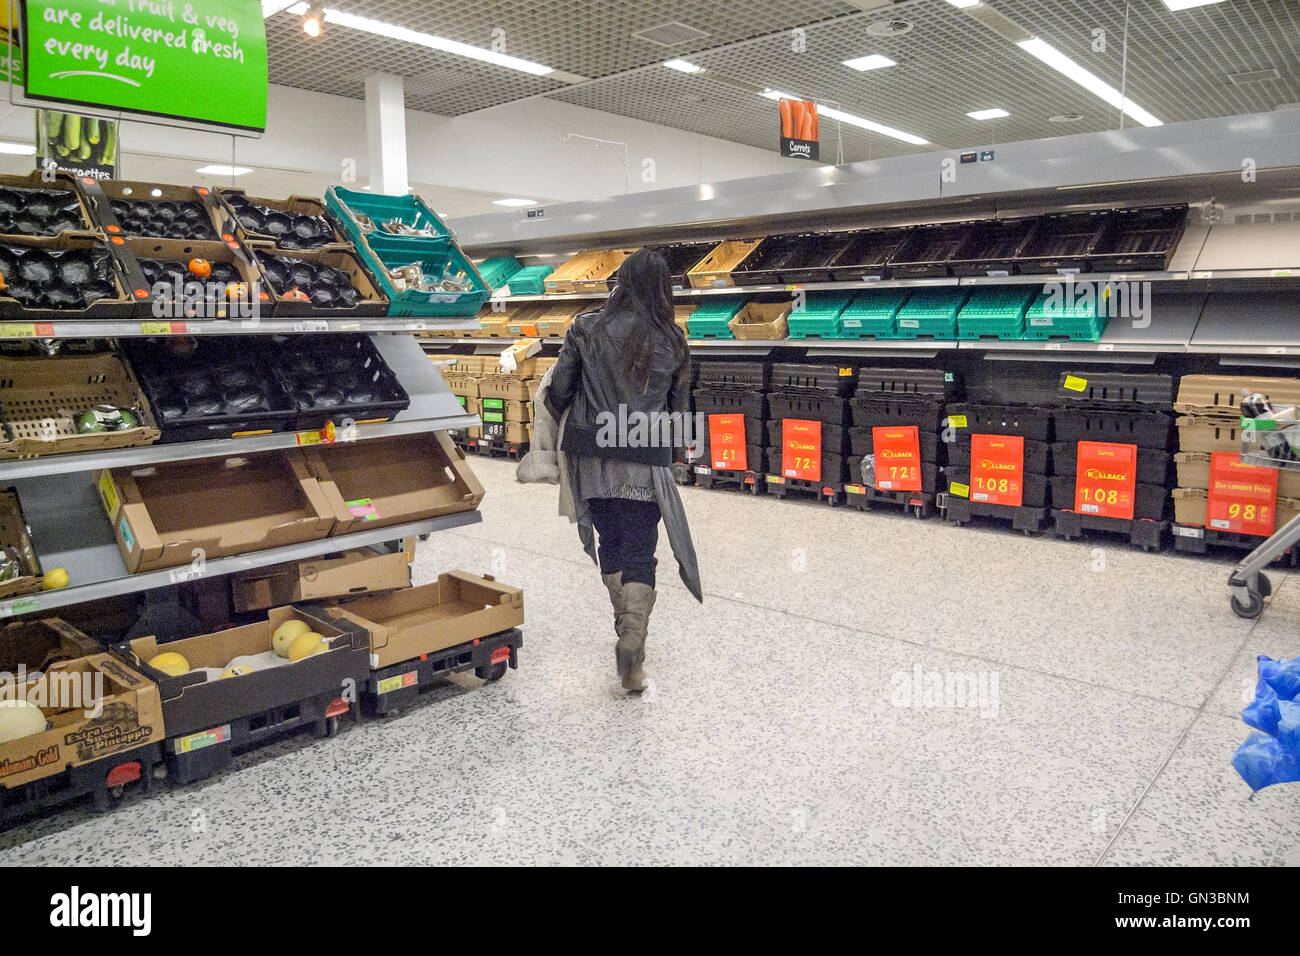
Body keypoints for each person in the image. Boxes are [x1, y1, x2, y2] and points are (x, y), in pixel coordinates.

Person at [545, 249, 703, 692]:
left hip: (592, 458)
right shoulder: (672, 339)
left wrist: (562, 419)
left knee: (609, 540)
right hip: (643, 459)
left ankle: (624, 628)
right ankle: (633, 640)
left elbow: (560, 388)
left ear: (620, 281)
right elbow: (679, 412)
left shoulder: (585, 327)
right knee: (640, 550)